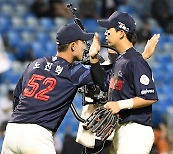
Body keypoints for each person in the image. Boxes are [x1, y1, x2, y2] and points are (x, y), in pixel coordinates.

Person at [1, 23, 97, 154]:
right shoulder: (72, 71)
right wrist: (95, 59)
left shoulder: (35, 63)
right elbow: (103, 79)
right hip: (37, 136)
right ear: (73, 46)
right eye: (82, 42)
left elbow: (17, 98)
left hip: (12, 130)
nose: (84, 46)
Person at [89, 11, 159, 154]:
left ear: (121, 33)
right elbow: (105, 84)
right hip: (122, 129)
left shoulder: (135, 61)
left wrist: (119, 104)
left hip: (136, 131)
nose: (106, 33)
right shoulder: (122, 60)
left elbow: (150, 96)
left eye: (109, 29)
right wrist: (94, 59)